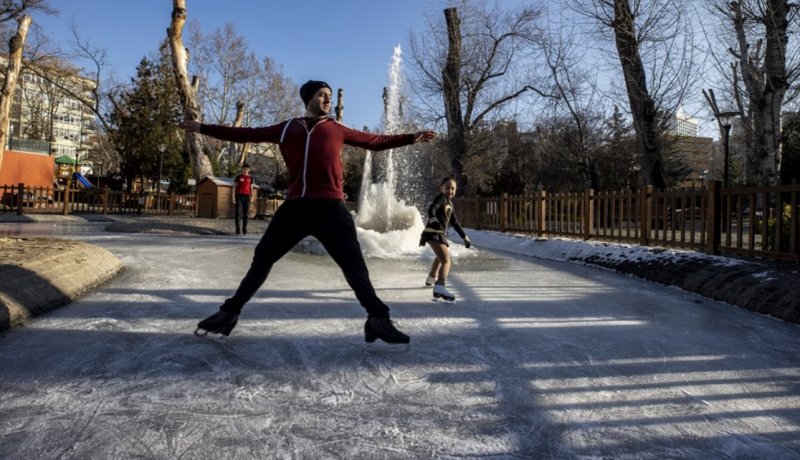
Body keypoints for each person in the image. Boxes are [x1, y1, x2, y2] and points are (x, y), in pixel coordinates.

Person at [180, 79, 435, 347]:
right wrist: (202, 127)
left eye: (329, 95)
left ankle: (378, 318)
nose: (328, 100)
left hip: (331, 208)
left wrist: (410, 138)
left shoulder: (337, 128)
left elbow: (374, 141)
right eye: (322, 95)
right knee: (262, 259)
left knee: (354, 265)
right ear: (309, 99)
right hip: (295, 208)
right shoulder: (288, 128)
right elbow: (247, 134)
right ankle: (229, 313)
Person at [419, 176, 471, 303]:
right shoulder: (441, 198)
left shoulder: (450, 203)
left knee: (440, 256)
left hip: (439, 234)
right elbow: (431, 209)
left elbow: (455, 222)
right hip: (433, 232)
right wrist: (433, 218)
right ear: (441, 188)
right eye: (447, 188)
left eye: (453, 188)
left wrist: (464, 236)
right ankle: (440, 286)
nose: (450, 191)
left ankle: (431, 277)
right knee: (446, 261)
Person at [233, 163, 254, 235]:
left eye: (247, 169)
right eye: (245, 169)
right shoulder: (238, 177)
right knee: (238, 213)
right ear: (242, 169)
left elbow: (251, 188)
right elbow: (234, 187)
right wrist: (233, 197)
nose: (246, 170)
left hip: (247, 196)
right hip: (239, 195)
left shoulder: (250, 178)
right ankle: (237, 229)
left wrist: (252, 197)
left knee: (246, 214)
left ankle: (244, 229)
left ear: (249, 170)